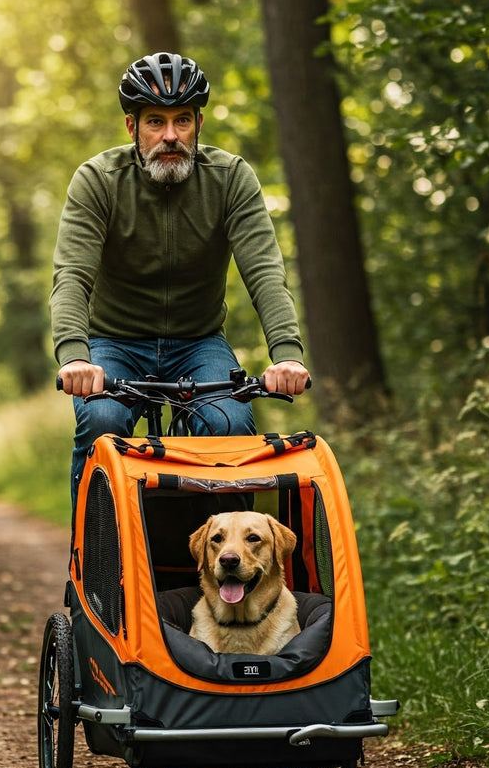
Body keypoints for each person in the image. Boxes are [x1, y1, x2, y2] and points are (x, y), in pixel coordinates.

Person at [50, 51, 310, 509]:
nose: (170, 135)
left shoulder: (230, 178)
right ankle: (92, 546)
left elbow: (265, 271)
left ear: (198, 124)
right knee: (102, 421)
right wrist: (74, 357)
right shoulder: (98, 180)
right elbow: (72, 274)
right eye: (155, 121)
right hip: (115, 342)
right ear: (132, 127)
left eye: (182, 121)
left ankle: (225, 549)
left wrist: (286, 354)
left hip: (198, 341)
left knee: (230, 426)